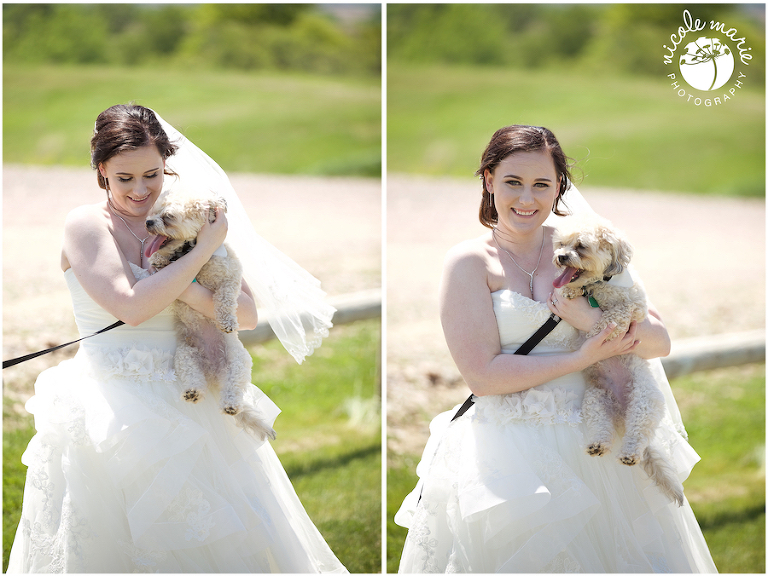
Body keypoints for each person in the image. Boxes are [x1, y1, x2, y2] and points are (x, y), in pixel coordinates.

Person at [7, 104, 347, 573]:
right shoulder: (87, 225)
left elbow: (246, 315)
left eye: (151, 174)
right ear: (101, 170)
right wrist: (203, 250)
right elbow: (131, 307)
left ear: (166, 165)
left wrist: (193, 265)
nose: (140, 190)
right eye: (124, 178)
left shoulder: (183, 217)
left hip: (190, 399)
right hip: (113, 405)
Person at [394, 125, 717, 573]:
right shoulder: (469, 262)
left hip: (596, 437)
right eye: (513, 182)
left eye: (542, 184)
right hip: (508, 447)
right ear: (489, 179)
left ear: (559, 185)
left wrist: (586, 320)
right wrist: (582, 357)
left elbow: (659, 341)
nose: (526, 199)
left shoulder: (587, 246)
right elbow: (482, 377)